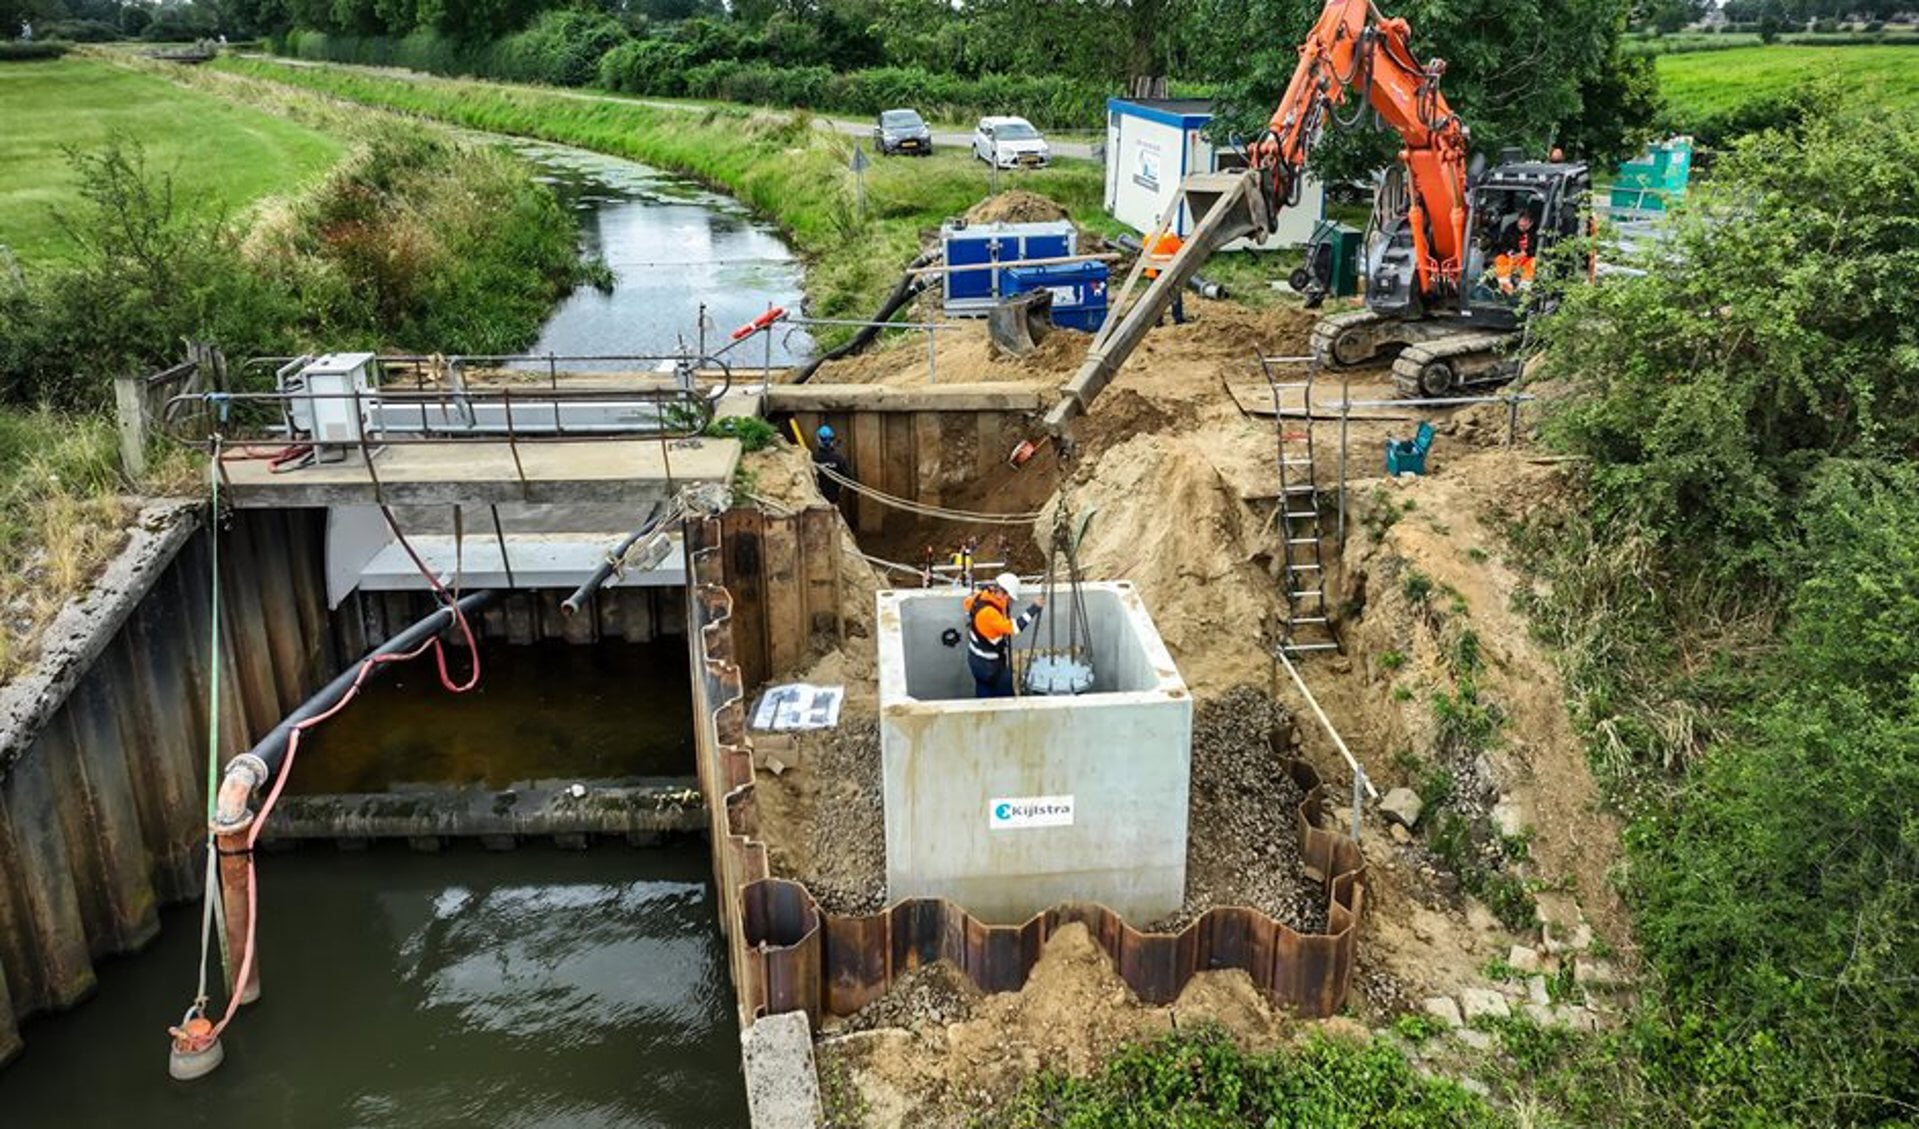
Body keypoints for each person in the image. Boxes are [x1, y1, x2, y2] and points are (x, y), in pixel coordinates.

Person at [963, 573, 1044, 698]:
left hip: (975, 658)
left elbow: (968, 602)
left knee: (983, 688)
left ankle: (983, 710)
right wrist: (1034, 608)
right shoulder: (989, 614)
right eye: (1010, 598)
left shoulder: (981, 596)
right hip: (988, 664)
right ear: (1002, 593)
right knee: (1005, 692)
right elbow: (1015, 627)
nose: (1010, 602)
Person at [1144, 230, 1187, 325]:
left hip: (1152, 271)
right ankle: (1178, 318)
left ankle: (1157, 320)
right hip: (1168, 272)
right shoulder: (1170, 237)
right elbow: (1181, 251)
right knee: (1175, 294)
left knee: (1155, 297)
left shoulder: (1147, 237)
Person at [1491, 211, 1538, 295]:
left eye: (1525, 226)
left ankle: (1524, 287)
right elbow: (1502, 245)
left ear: (1531, 223)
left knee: (1534, 262)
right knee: (1500, 259)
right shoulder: (1510, 229)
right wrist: (1509, 252)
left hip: (1527, 258)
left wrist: (1526, 252)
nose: (1521, 228)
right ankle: (1505, 286)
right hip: (1512, 257)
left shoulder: (1537, 231)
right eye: (1520, 225)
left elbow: (1539, 247)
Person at [811, 424, 851, 505]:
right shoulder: (839, 459)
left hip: (817, 501)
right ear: (832, 440)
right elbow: (849, 478)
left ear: (819, 440)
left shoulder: (813, 458)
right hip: (833, 500)